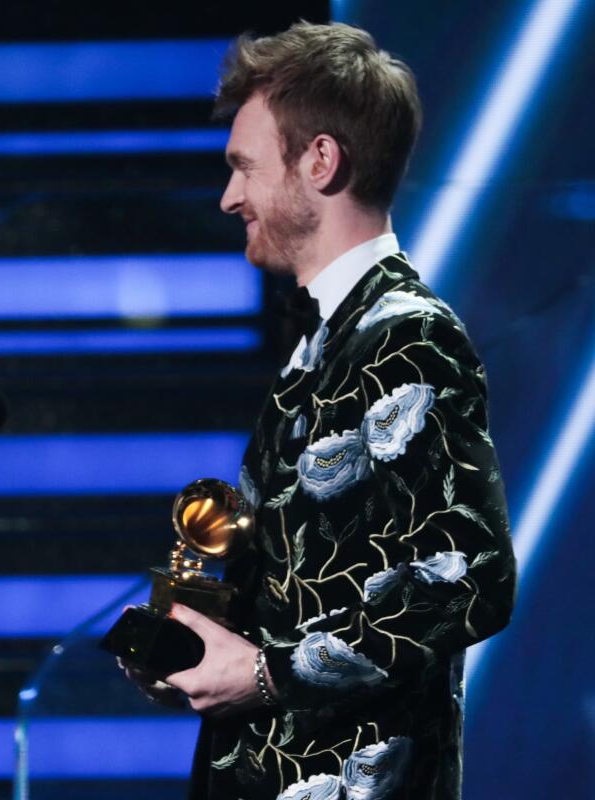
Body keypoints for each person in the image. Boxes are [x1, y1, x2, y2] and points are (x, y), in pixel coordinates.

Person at [122, 22, 516, 800]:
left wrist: (265, 674)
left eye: (243, 167)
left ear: (321, 161)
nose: (229, 196)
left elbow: (471, 574)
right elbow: (301, 587)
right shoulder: (319, 346)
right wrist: (196, 651)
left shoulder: (412, 338)